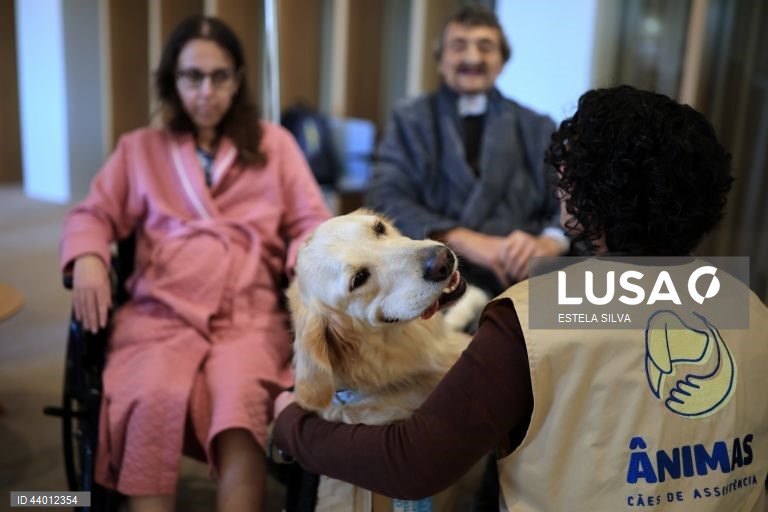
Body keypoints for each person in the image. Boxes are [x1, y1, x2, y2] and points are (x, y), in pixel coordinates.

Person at [273, 86, 768, 511]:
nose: (557, 180)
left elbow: (412, 462)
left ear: (590, 194)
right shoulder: (747, 304)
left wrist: (290, 422)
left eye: (568, 169)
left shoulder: (534, 317)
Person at [60, 16, 331, 512]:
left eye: (219, 76)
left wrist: (304, 264)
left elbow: (312, 222)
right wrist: (89, 257)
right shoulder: (140, 148)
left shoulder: (274, 145)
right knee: (150, 396)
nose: (206, 91)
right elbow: (93, 213)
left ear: (237, 79)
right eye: (192, 76)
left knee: (239, 402)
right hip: (161, 312)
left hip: (247, 312)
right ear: (173, 80)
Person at [366, 5, 568, 299]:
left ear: (502, 62)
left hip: (522, 281)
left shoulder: (538, 126)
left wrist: (549, 243)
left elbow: (568, 200)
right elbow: (385, 198)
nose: (472, 58)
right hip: (432, 280)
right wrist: (462, 239)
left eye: (485, 47)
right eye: (458, 46)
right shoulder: (409, 120)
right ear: (441, 60)